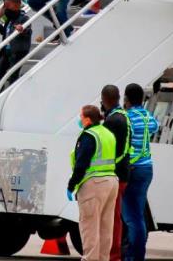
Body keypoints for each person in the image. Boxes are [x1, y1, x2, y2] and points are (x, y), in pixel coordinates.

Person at [68, 104, 119, 261]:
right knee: (105, 227)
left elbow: (81, 164)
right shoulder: (107, 133)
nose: (79, 119)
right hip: (111, 182)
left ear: (88, 120)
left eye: (81, 116)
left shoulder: (89, 136)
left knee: (89, 226)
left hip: (94, 183)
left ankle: (89, 259)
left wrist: (71, 185)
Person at [121, 83, 158, 261]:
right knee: (138, 215)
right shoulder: (147, 117)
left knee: (132, 218)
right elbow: (155, 126)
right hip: (146, 168)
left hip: (133, 168)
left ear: (126, 99)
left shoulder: (127, 118)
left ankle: (134, 256)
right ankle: (136, 254)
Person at [101, 85, 131, 261]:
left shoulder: (112, 121)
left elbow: (107, 149)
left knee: (111, 218)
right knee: (115, 216)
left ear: (105, 99)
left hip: (115, 174)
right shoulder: (124, 116)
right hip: (123, 172)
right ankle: (113, 253)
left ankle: (113, 255)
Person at [0, 0, 32, 89]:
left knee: (13, 76)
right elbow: (5, 33)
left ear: (17, 5)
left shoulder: (24, 18)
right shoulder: (9, 20)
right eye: (5, 6)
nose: (6, 9)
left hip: (18, 52)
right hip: (6, 52)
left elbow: (28, 31)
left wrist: (22, 30)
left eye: (8, 6)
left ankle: (12, 95)